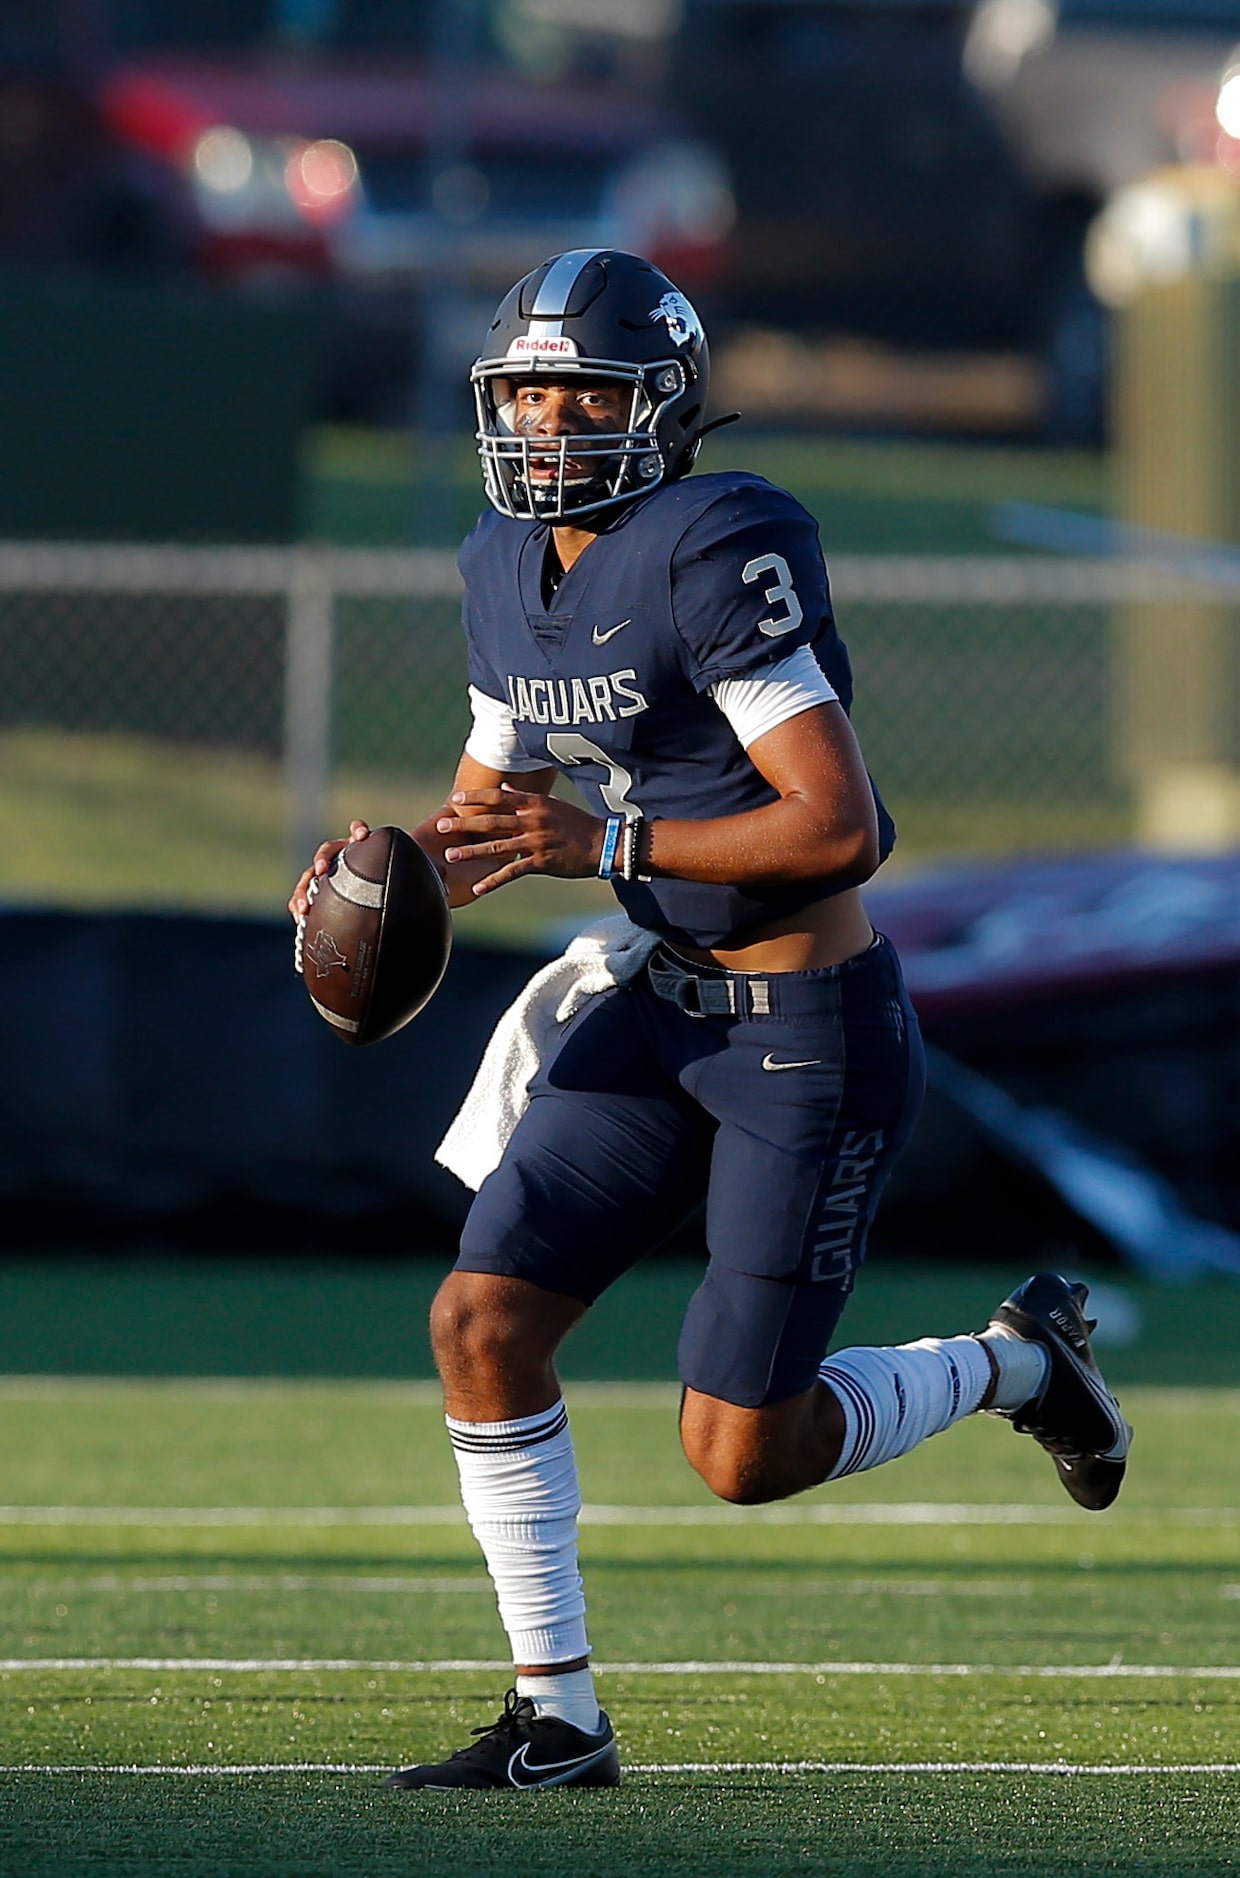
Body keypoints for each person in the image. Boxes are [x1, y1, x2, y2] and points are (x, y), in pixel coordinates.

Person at [288, 248, 1132, 1792]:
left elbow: (836, 825)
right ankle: (559, 1716)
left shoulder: (714, 541)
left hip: (804, 1028)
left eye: (582, 394)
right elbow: (494, 806)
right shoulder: (500, 560)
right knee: (481, 1320)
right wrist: (381, 877)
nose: (546, 424)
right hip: (655, 1009)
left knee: (740, 1452)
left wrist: (604, 850)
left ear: (660, 410)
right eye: (526, 392)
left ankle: (1021, 1364)